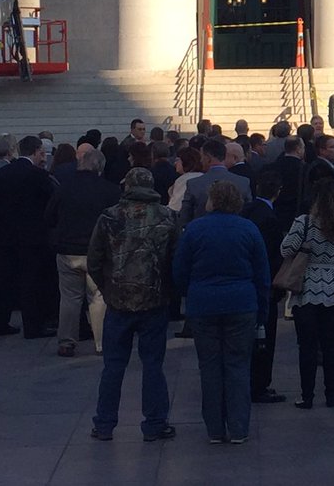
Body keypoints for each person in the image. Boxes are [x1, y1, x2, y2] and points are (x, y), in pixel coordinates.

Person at [173, 179, 269, 444]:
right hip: (242, 303)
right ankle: (239, 428)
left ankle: (215, 429)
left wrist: (189, 294)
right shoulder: (248, 229)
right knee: (238, 365)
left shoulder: (194, 229)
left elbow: (180, 270)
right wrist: (262, 312)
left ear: (212, 200)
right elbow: (262, 275)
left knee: (210, 367)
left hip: (204, 305)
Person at [86, 168, 179, 442]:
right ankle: (154, 423)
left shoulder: (109, 216)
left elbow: (94, 259)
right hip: (154, 301)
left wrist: (108, 288)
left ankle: (104, 424)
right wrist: (168, 292)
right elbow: (176, 261)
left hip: (118, 302)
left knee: (113, 366)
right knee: (153, 365)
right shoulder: (167, 216)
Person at [280, 178, 334, 409]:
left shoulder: (304, 222)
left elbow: (286, 249)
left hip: (307, 287)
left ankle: (307, 395)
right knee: (332, 344)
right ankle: (331, 395)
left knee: (307, 346)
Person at [44, 148, 120, 357]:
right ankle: (101, 343)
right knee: (97, 297)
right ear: (100, 167)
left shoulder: (63, 188)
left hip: (68, 250)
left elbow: (49, 217)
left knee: (69, 298)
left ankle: (67, 342)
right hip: (98, 252)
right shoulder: (110, 190)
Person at [0, 134, 56, 339]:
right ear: (37, 152)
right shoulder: (37, 175)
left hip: (6, 236)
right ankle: (33, 326)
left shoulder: (3, 173)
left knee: (4, 281)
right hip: (32, 237)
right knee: (31, 282)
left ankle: (0, 322)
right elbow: (52, 203)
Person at [242, 171, 287, 404]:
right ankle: (260, 384)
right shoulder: (270, 218)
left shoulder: (247, 210)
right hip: (263, 285)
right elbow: (272, 256)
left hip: (245, 282)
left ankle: (250, 381)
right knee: (264, 338)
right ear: (277, 193)